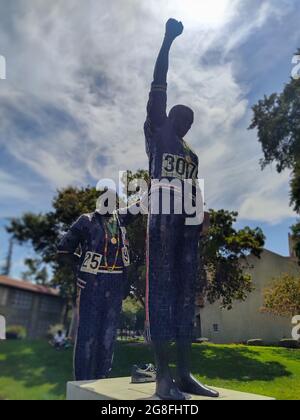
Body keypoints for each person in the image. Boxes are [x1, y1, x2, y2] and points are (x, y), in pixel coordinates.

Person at [144, 18, 219, 400]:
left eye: (190, 122)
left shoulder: (192, 153)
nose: (186, 125)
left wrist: (202, 213)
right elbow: (159, 81)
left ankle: (186, 375)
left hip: (188, 227)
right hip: (161, 219)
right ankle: (161, 376)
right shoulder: (158, 130)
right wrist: (168, 40)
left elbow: (193, 188)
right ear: (170, 115)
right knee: (160, 293)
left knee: (185, 296)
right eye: (182, 118)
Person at [57, 189, 135, 381]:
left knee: (108, 333)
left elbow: (138, 208)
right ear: (99, 202)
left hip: (116, 283)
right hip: (93, 282)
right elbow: (64, 249)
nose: (111, 204)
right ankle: (82, 380)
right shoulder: (86, 220)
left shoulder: (119, 220)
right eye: (106, 201)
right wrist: (81, 270)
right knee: (88, 332)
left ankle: (102, 378)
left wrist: (126, 282)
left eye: (114, 201)